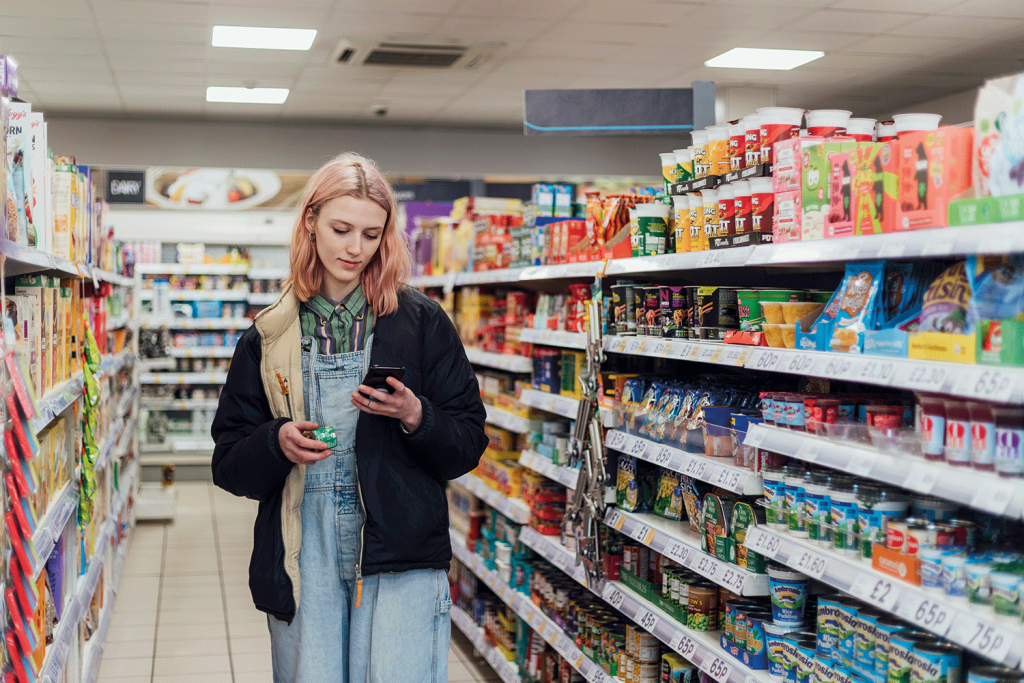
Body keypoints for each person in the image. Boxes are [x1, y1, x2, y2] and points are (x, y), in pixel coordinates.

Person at [211, 152, 487, 683]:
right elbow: (229, 463)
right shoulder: (269, 335)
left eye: (371, 234)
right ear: (310, 222)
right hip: (302, 546)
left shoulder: (422, 324)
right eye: (341, 229)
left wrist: (416, 415)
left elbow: (468, 442)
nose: (355, 248)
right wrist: (276, 443)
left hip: (399, 549)